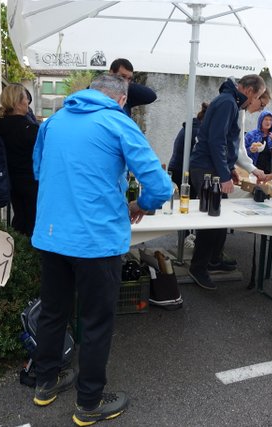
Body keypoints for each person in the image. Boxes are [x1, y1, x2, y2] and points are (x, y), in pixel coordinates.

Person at [30, 74, 172, 425]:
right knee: (95, 322)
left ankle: (45, 383)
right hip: (96, 241)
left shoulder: (54, 122)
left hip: (52, 234)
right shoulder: (117, 122)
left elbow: (38, 170)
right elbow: (159, 186)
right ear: (121, 99)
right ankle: (89, 403)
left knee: (53, 313)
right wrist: (141, 205)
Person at [187, 74, 266, 290]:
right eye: (256, 97)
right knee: (211, 219)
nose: (254, 101)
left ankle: (213, 259)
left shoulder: (229, 101)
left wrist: (229, 169)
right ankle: (198, 267)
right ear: (249, 91)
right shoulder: (228, 103)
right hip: (206, 167)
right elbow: (217, 140)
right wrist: (224, 175)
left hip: (211, 166)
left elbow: (225, 142)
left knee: (218, 218)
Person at [0, 83, 40, 237]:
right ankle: (28, 249)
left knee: (20, 218)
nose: (28, 102)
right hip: (30, 180)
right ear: (18, 102)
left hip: (9, 179)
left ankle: (16, 245)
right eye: (26, 99)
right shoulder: (30, 129)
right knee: (32, 220)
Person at [167, 102, 208, 195]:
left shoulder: (191, 126)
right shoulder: (197, 131)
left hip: (174, 167)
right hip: (182, 170)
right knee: (193, 196)